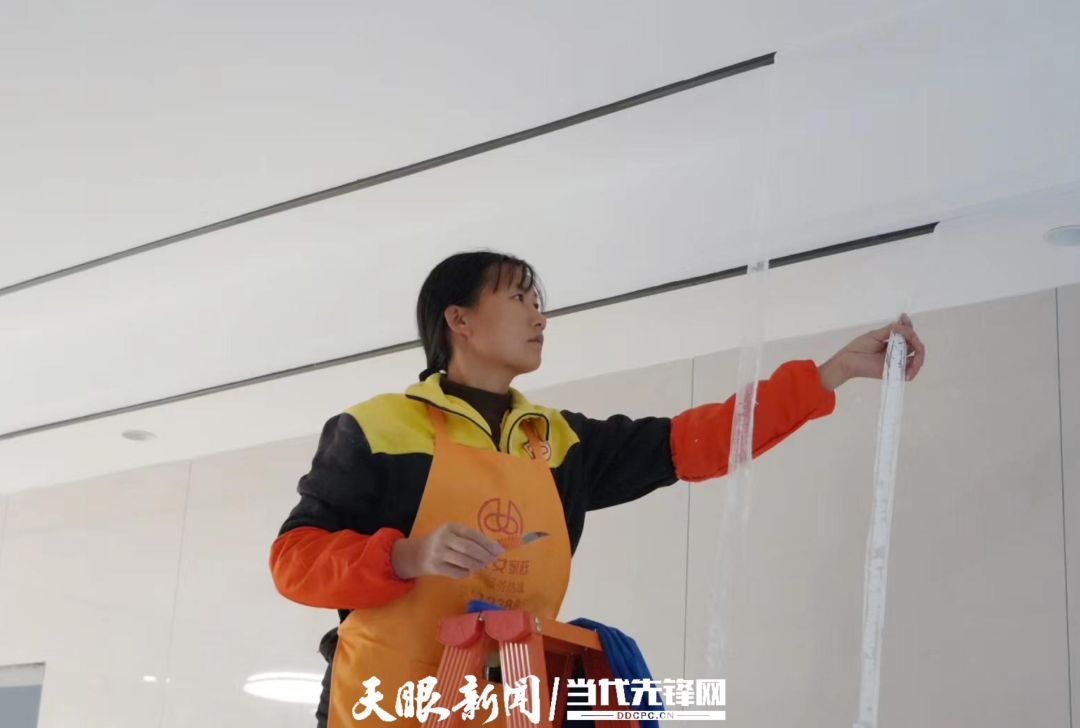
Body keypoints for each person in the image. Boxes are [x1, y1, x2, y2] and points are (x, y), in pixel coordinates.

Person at [269, 251, 926, 728]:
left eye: (538, 303)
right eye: (520, 299)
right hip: (386, 706)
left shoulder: (559, 441)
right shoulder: (380, 427)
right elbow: (293, 561)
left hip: (509, 704)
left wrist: (832, 373)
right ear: (459, 320)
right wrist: (407, 555)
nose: (540, 316)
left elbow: (697, 441)